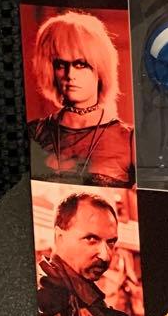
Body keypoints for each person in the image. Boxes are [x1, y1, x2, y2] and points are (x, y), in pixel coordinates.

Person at [27, 12, 135, 187]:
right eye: (60, 65)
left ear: (100, 68)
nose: (70, 75)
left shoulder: (129, 139)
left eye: (80, 64)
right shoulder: (35, 132)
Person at [36, 192, 135, 316]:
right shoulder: (47, 306)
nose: (105, 255)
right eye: (91, 239)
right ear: (59, 236)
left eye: (111, 242)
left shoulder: (81, 298)